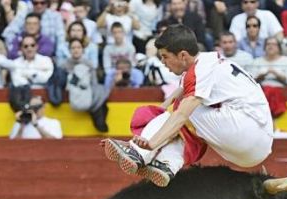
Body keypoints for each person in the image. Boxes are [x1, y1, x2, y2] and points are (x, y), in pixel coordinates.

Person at [102, 24, 273, 187]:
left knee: (182, 111)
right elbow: (167, 106)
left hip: (246, 129)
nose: (162, 62)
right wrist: (150, 127)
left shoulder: (199, 71)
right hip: (258, 145)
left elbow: (180, 114)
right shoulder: (208, 64)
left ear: (183, 56)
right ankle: (167, 163)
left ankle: (138, 153)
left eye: (165, 56)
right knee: (185, 120)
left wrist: (150, 143)